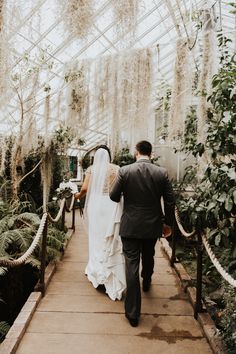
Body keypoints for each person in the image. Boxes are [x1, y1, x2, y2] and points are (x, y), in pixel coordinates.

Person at [110, 140, 175, 327]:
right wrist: (168, 224)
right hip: (152, 225)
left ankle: (133, 314)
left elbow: (114, 196)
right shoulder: (161, 172)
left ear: (136, 152)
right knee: (149, 254)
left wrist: (127, 193)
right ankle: (147, 279)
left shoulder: (124, 171)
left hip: (130, 225)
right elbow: (170, 201)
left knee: (131, 266)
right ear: (150, 153)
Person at [75, 145, 126, 301]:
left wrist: (77, 196)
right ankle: (110, 270)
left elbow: (84, 189)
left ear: (96, 156)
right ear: (109, 156)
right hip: (111, 204)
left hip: (96, 206)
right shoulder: (117, 168)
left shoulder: (92, 169)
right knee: (110, 236)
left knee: (96, 237)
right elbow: (120, 189)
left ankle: (96, 269)